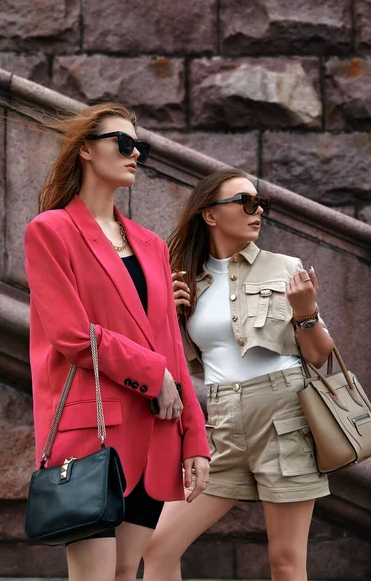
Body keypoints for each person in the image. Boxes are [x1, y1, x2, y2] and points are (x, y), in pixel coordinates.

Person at [24, 102, 210, 581]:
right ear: (86, 150)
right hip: (93, 434)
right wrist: (153, 376)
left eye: (139, 147)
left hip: (156, 432)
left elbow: (170, 343)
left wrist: (197, 439)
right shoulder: (51, 232)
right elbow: (71, 335)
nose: (134, 155)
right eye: (122, 144)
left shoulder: (150, 244)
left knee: (128, 572)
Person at [143, 169, 334, 581]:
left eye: (260, 202)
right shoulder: (185, 281)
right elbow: (168, 361)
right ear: (210, 215)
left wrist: (306, 312)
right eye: (245, 202)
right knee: (159, 549)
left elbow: (320, 356)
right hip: (221, 423)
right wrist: (166, 315)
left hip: (285, 419)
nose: (257, 210)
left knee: (285, 562)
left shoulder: (285, 267)